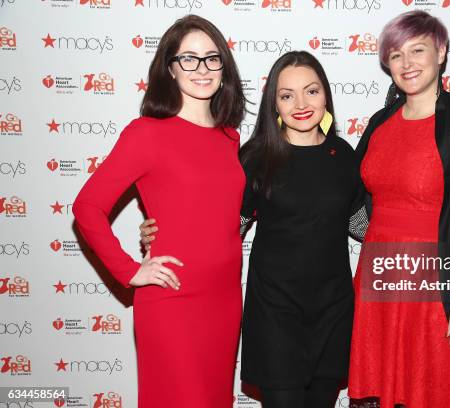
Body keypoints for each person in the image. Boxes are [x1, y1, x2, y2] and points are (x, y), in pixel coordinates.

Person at [141, 51, 368, 408]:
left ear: (326, 95)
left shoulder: (343, 155)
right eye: (286, 95)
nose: (301, 104)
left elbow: (361, 224)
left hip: (334, 310)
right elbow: (225, 223)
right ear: (273, 104)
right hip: (276, 313)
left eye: (311, 91)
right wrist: (166, 229)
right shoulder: (256, 157)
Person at [72, 15, 246, 407]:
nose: (201, 69)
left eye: (211, 58)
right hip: (171, 301)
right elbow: (87, 206)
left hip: (224, 302)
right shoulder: (147, 133)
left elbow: (215, 212)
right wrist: (130, 269)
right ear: (169, 67)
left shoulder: (230, 137)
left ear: (224, 67)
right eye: (188, 58)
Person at [348, 11, 450, 408]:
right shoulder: (379, 123)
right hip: (379, 283)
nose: (407, 64)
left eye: (417, 50)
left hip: (437, 288)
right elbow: (352, 202)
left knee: (439, 391)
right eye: (396, 55)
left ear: (441, 52)